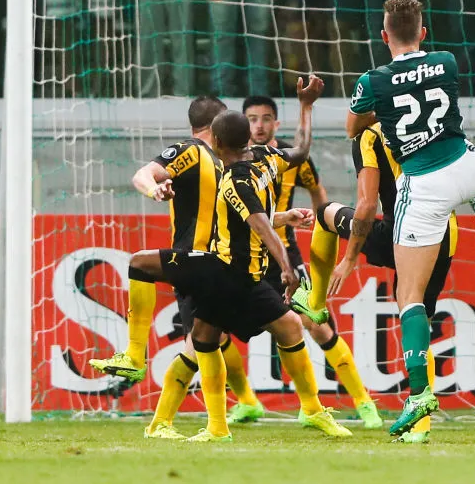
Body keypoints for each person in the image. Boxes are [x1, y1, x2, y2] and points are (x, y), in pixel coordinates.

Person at [94, 76, 353, 442]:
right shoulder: (266, 158)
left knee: (177, 313)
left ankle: (148, 373)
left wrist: (285, 266)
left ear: (213, 138)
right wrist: (306, 106)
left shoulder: (232, 178)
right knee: (260, 332)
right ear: (248, 137)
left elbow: (256, 221)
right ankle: (301, 410)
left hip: (216, 268)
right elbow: (295, 156)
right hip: (245, 271)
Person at [346, 0, 475, 437]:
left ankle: (418, 393)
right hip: (470, 168)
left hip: (426, 186)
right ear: (424, 33)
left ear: (383, 35)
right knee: (462, 182)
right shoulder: (447, 61)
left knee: (409, 296)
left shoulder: (373, 80)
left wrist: (387, 105)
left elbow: (352, 127)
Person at [312, 121, 475, 442]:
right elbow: (468, 179)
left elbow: (367, 205)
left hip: (400, 232)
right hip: (444, 237)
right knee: (419, 319)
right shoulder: (430, 125)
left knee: (325, 212)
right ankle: (420, 428)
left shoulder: (368, 135)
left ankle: (315, 304)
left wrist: (350, 258)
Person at [89, 96, 260, 441]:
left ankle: (169, 423)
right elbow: (144, 173)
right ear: (215, 127)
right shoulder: (192, 150)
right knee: (201, 343)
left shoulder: (222, 160)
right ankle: (141, 364)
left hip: (219, 264)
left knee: (200, 346)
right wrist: (154, 188)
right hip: (196, 262)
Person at [225, 94, 383, 430]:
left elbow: (317, 191)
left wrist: (322, 224)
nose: (259, 125)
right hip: (242, 257)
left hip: (284, 252)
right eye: (252, 119)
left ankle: (363, 401)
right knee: (210, 328)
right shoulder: (228, 164)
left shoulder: (283, 158)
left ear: (276, 124)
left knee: (315, 323)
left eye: (266, 118)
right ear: (242, 125)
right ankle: (247, 401)